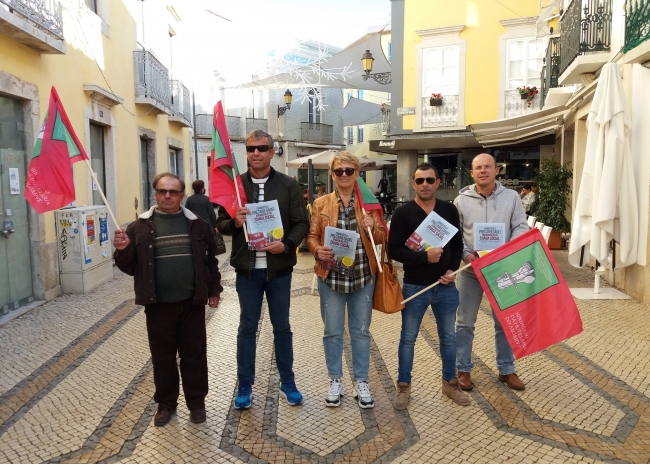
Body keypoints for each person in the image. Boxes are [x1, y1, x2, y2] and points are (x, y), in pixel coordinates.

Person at [113, 172, 222, 427]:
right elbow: (130, 267)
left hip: (192, 302)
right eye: (163, 191)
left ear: (182, 195)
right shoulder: (139, 227)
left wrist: (213, 290)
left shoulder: (197, 224)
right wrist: (123, 250)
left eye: (173, 192)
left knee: (194, 356)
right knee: (162, 358)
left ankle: (196, 403)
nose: (168, 196)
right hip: (158, 305)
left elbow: (210, 262)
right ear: (155, 194)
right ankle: (166, 404)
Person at [216, 130, 309, 410]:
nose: (256, 153)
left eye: (262, 148)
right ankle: (245, 384)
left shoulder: (288, 185)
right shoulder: (236, 186)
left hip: (278, 270)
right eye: (251, 148)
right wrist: (234, 222)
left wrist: (287, 244)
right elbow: (220, 224)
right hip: (247, 272)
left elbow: (301, 222)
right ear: (246, 152)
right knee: (247, 327)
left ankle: (287, 381)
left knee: (282, 327)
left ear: (272, 152)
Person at [307, 152, 386, 408]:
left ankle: (361, 381)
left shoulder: (369, 203)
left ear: (356, 174)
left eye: (349, 171)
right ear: (332, 174)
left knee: (361, 331)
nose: (344, 175)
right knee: (332, 331)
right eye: (339, 171)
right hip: (331, 277)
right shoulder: (321, 203)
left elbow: (382, 237)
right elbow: (312, 236)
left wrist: (372, 227)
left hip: (362, 276)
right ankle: (335, 380)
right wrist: (317, 250)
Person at [388, 163, 469, 409]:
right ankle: (404, 386)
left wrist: (451, 269)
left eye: (430, 180)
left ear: (437, 183)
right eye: (420, 180)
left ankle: (450, 383)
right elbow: (394, 250)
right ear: (413, 184)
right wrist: (425, 257)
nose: (425, 184)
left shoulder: (448, 210)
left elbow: (457, 244)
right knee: (408, 338)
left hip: (445, 287)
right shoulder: (402, 213)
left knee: (448, 337)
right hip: (415, 286)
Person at [453, 154, 529, 392]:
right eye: (478, 167)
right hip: (471, 272)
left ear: (497, 170)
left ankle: (506, 369)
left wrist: (507, 251)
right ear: (472, 173)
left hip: (502, 271)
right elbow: (456, 234)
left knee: (505, 322)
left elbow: (521, 227)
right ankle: (463, 368)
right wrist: (466, 255)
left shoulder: (512, 197)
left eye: (487, 167)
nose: (483, 170)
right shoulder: (460, 201)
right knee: (464, 323)